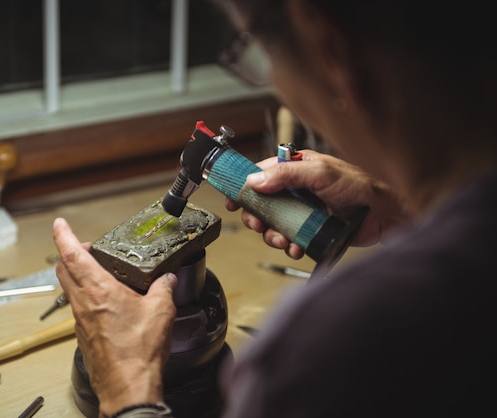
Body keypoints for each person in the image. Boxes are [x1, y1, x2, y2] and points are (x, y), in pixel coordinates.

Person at [53, 0, 497, 417]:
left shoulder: (331, 348)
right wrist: (392, 204)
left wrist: (128, 388)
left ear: (331, 49)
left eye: (260, 51)